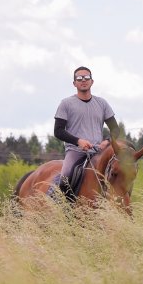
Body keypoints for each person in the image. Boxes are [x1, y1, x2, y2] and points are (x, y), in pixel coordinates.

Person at [51, 66, 120, 197]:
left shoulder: (102, 103)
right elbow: (58, 131)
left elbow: (115, 129)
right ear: (74, 83)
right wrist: (78, 141)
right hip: (75, 151)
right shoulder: (66, 103)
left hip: (98, 151)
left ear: (92, 81)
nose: (83, 80)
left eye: (86, 77)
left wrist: (107, 141)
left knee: (120, 174)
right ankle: (60, 206)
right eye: (79, 78)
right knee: (65, 177)